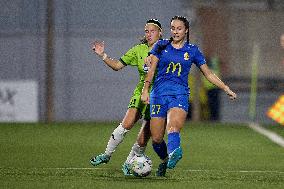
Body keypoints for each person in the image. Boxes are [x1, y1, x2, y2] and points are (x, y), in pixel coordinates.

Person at [141, 16, 237, 170]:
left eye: (179, 28)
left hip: (179, 94)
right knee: (157, 139)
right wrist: (145, 90)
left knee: (173, 128)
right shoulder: (160, 45)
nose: (175, 31)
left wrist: (226, 88)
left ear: (186, 31)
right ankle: (166, 160)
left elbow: (209, 74)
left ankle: (174, 152)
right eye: (173, 28)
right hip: (158, 94)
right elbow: (151, 69)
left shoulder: (192, 51)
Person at [90, 19, 167, 176]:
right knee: (126, 124)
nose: (149, 34)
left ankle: (128, 163)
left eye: (153, 31)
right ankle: (106, 155)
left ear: (160, 33)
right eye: (147, 31)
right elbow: (118, 66)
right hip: (141, 93)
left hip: (159, 95)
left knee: (143, 138)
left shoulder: (167, 50)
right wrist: (103, 55)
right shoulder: (139, 50)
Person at [202, 55, 221, 121]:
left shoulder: (213, 63)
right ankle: (213, 117)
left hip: (213, 87)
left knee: (214, 103)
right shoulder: (208, 66)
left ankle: (215, 117)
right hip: (209, 88)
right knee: (212, 103)